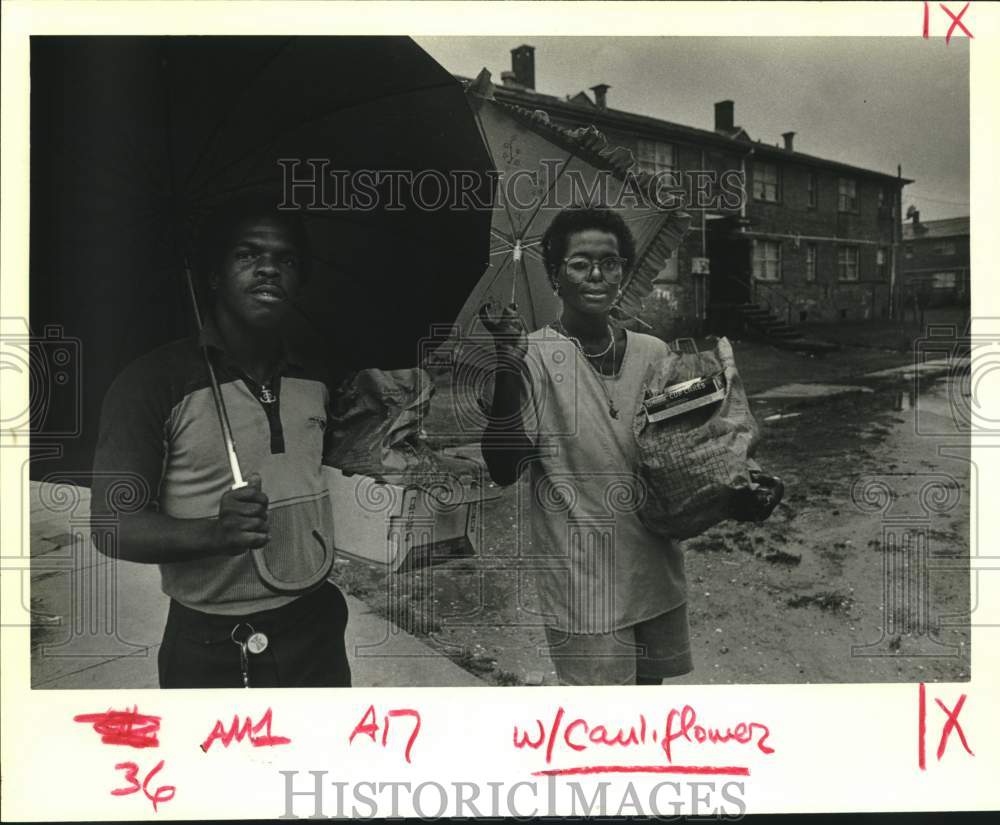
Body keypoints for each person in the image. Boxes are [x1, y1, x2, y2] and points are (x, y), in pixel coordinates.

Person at [91, 195, 351, 688]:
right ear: (212, 276)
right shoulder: (150, 382)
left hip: (316, 628)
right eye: (247, 255)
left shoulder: (317, 375)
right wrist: (214, 534)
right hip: (213, 646)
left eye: (285, 259)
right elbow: (112, 525)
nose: (268, 269)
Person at [479, 205, 692, 686]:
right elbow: (504, 466)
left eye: (610, 262)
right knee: (603, 728)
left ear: (623, 270)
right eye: (579, 263)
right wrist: (507, 366)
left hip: (653, 568)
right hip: (583, 584)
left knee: (650, 712)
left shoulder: (654, 353)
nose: (597, 274)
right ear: (555, 276)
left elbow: (682, 453)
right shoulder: (532, 355)